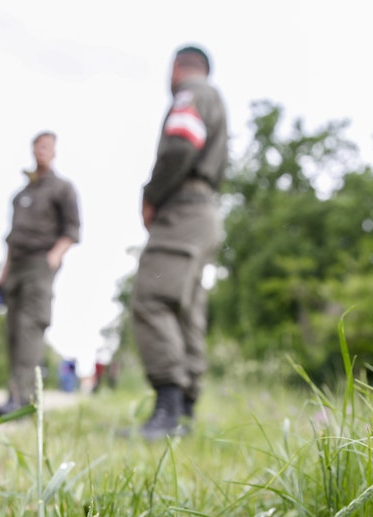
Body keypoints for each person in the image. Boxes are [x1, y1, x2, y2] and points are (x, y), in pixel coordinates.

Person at [132, 44, 229, 439]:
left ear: (177, 68)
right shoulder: (213, 98)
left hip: (183, 209)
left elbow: (180, 145)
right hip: (203, 212)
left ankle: (168, 411)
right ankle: (184, 410)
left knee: (152, 298)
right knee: (186, 309)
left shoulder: (192, 93)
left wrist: (152, 195)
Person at [0, 131, 80, 417]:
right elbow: (11, 240)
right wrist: (2, 276)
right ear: (32, 149)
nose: (42, 150)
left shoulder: (62, 188)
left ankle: (24, 401)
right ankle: (15, 396)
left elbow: (73, 229)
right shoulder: (21, 195)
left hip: (40, 264)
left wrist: (54, 256)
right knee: (14, 331)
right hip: (15, 267)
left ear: (54, 152)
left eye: (48, 146)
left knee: (30, 328)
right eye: (39, 145)